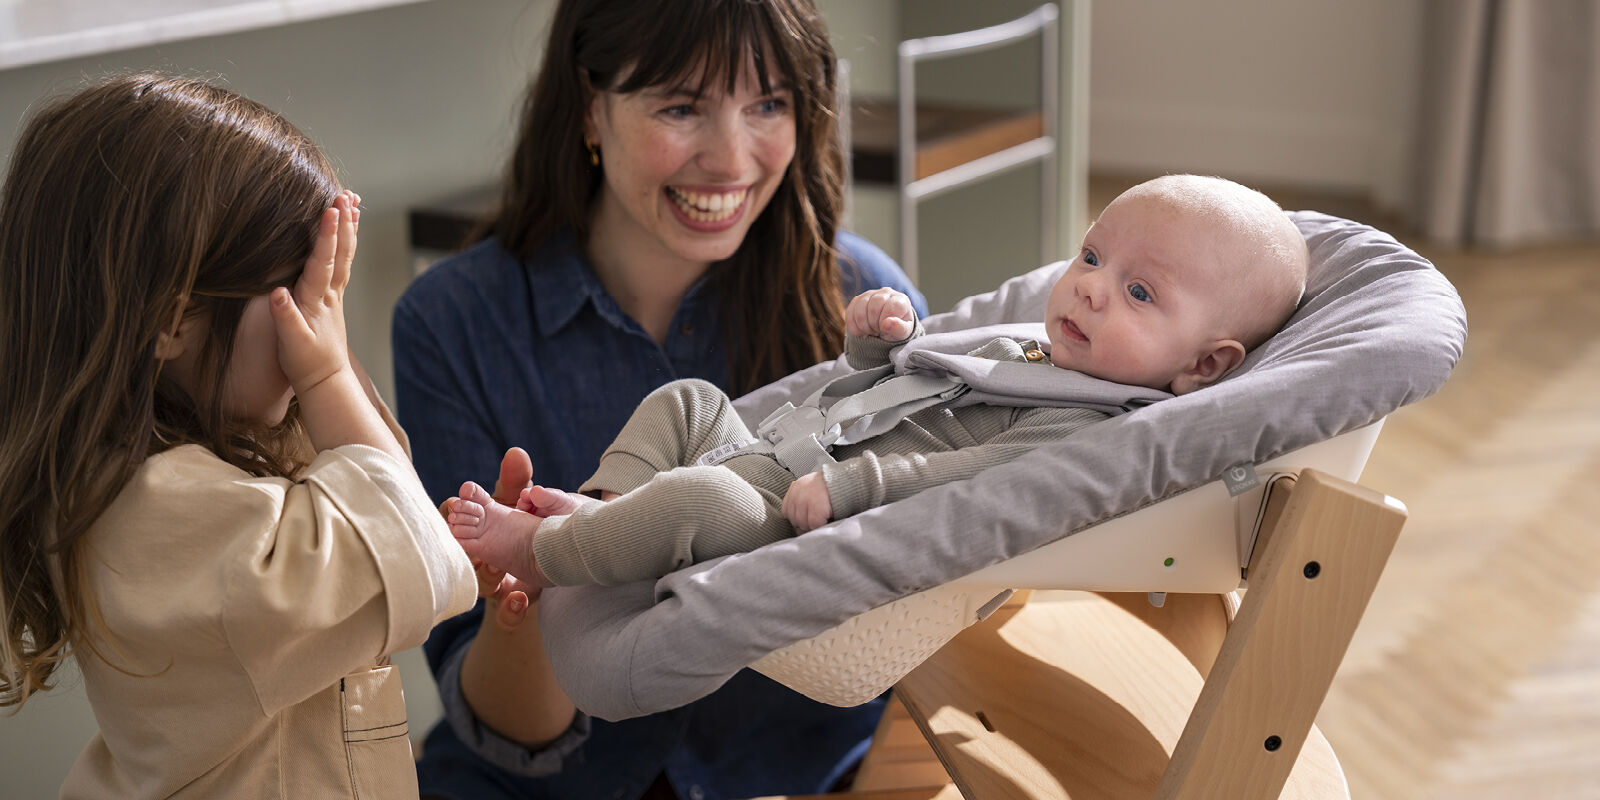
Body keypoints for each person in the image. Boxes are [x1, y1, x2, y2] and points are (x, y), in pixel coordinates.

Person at [389, 0, 924, 797]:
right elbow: (507, 734)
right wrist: (537, 595)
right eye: (680, 106)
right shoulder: (450, 323)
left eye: (768, 104)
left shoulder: (865, 303)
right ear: (589, 108)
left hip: (811, 771)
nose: (732, 157)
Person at [444, 174, 1311, 588]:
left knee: (696, 507)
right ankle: (600, 509)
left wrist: (854, 483)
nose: (1088, 284)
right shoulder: (1032, 348)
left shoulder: (1097, 423)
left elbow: (969, 476)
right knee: (689, 401)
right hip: (773, 447)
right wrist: (872, 350)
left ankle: (547, 553)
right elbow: (897, 394)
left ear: (1204, 365)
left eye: (1139, 291)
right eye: (1091, 254)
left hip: (790, 513)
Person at [0, 74, 476, 798]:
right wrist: (325, 377)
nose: (319, 324)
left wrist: (321, 372)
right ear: (172, 319)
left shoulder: (157, 478)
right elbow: (410, 550)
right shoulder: (165, 509)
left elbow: (376, 491)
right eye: (302, 291)